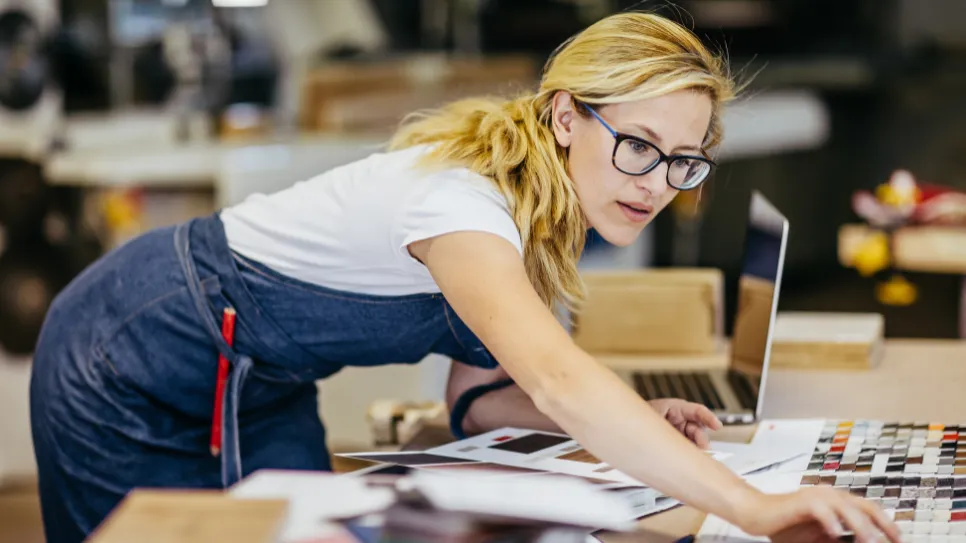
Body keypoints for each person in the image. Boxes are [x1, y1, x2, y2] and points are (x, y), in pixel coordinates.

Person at [29, 11, 900, 543]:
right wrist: (750, 507)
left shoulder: (548, 219)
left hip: (261, 384)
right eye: (637, 146)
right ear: (565, 116)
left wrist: (638, 414)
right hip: (130, 356)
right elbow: (558, 382)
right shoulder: (463, 205)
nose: (653, 183)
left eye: (683, 162)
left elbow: (479, 399)